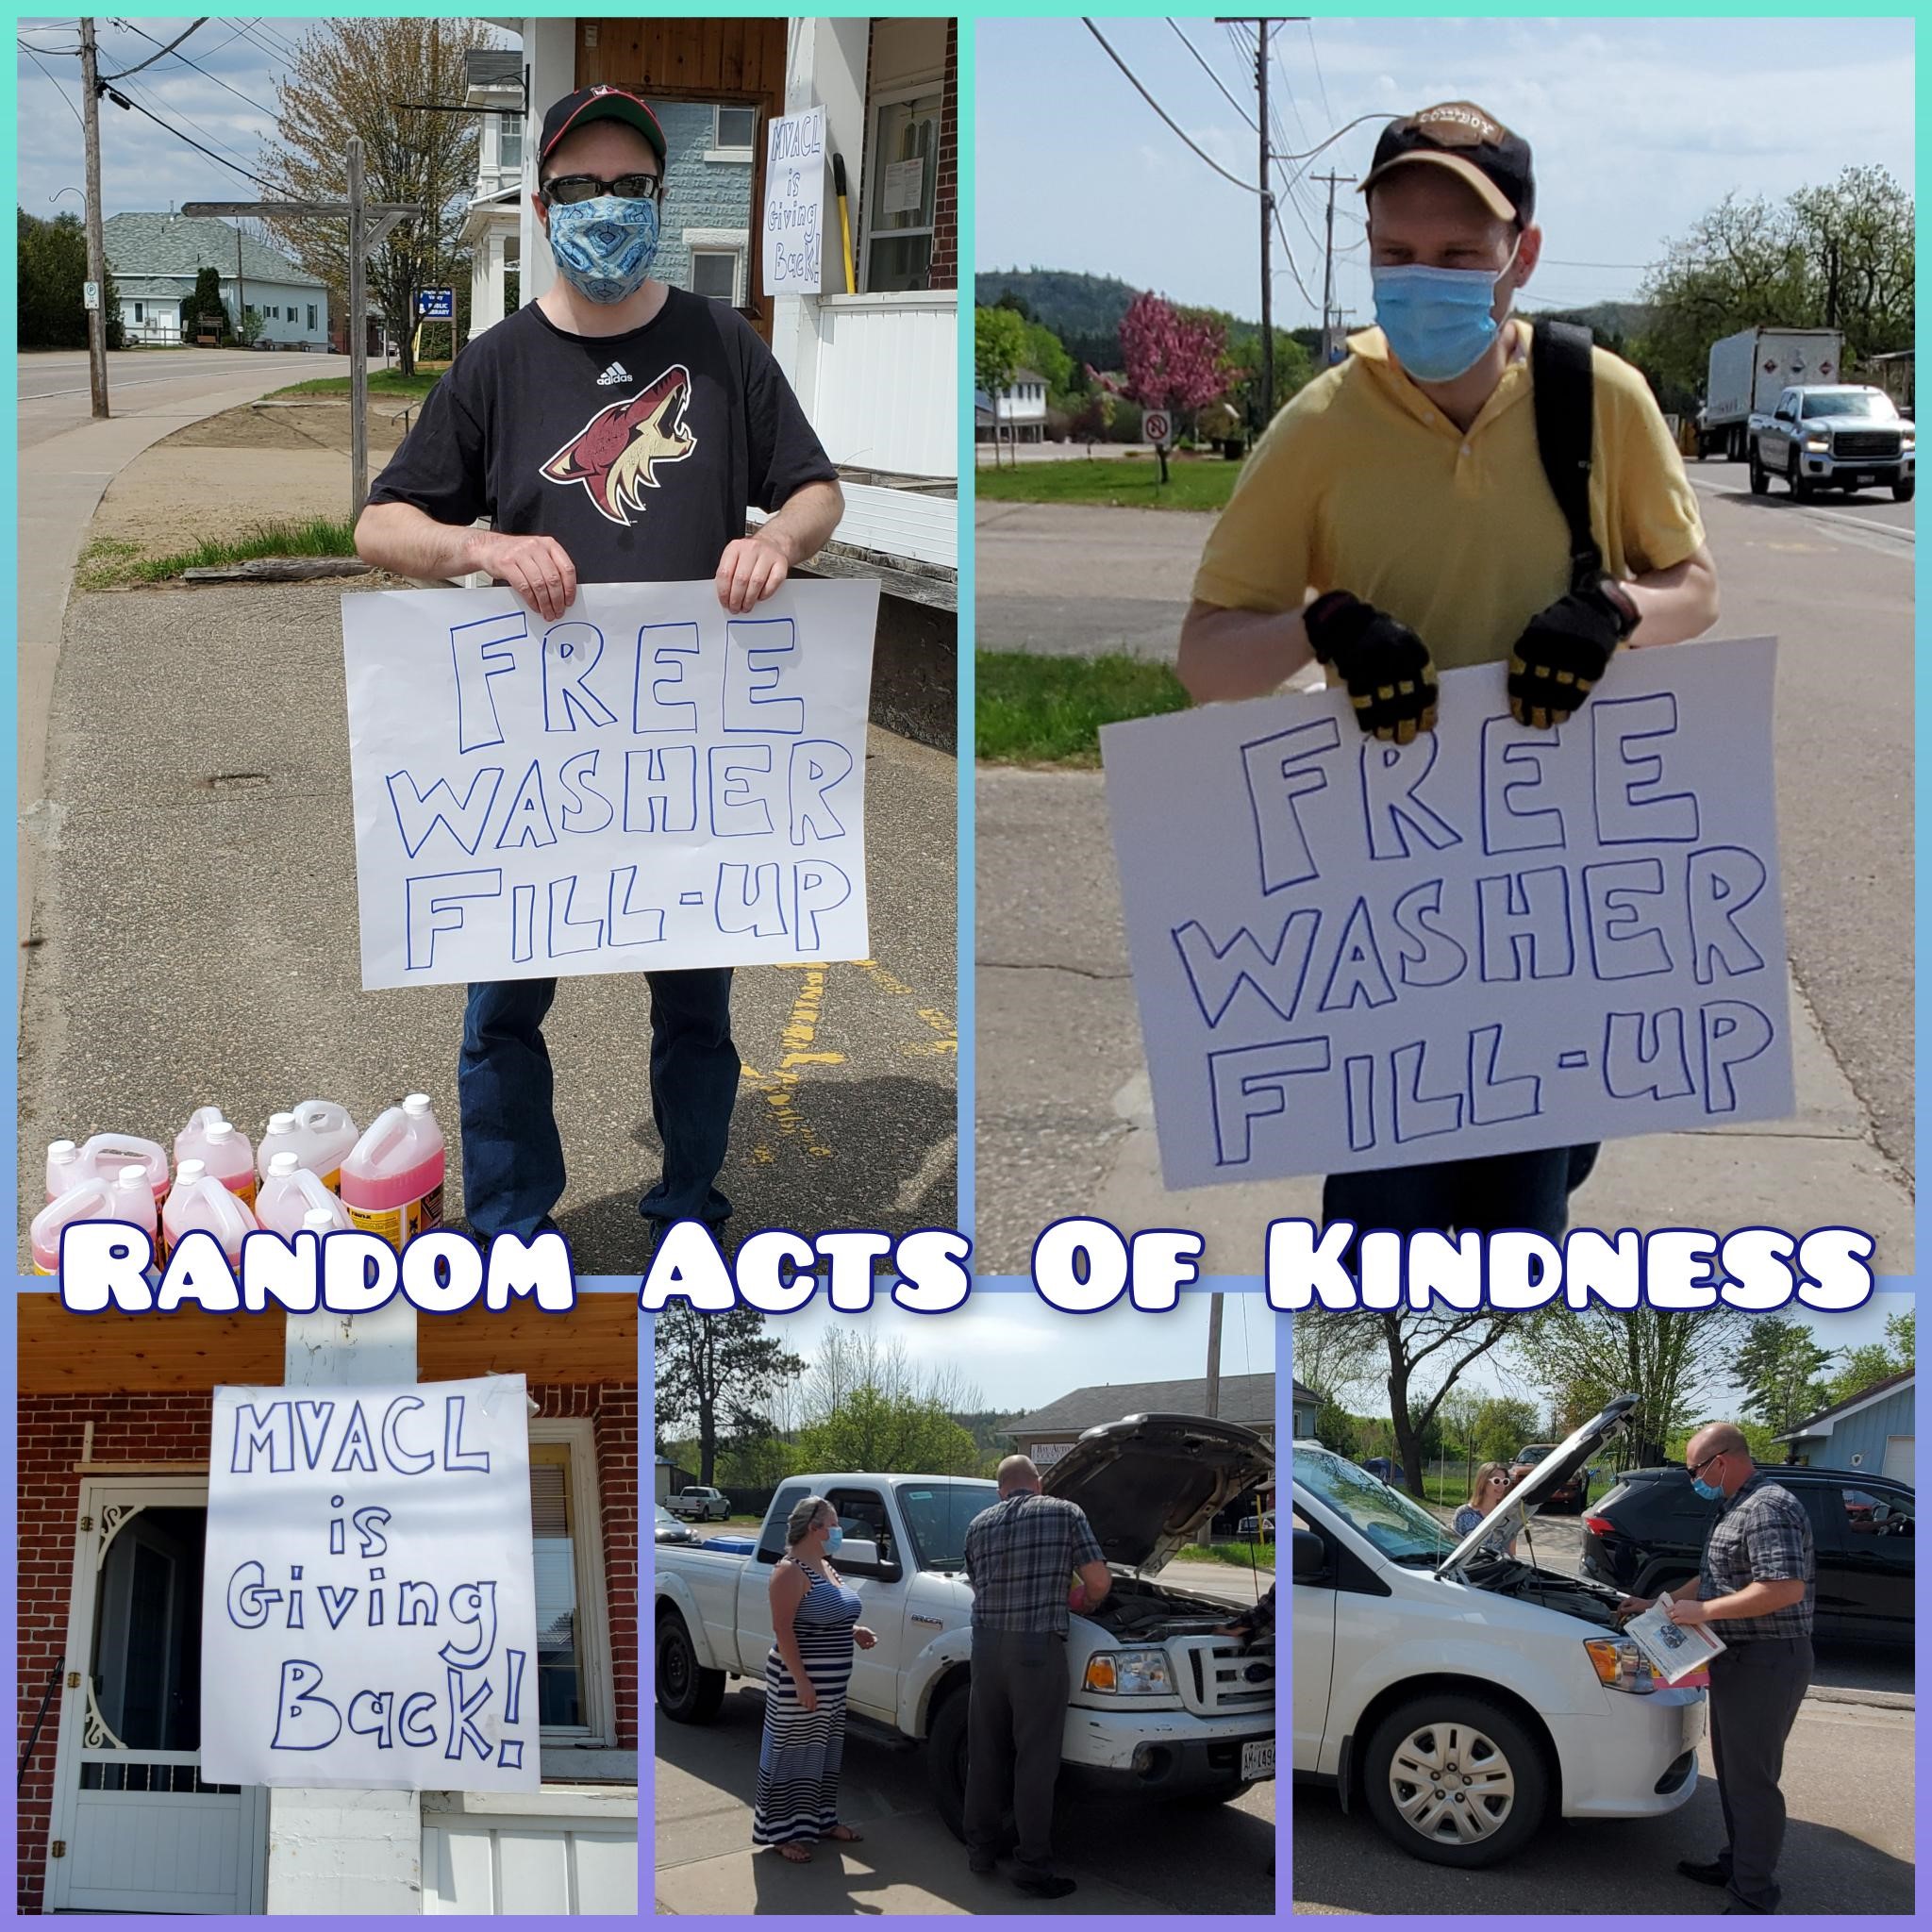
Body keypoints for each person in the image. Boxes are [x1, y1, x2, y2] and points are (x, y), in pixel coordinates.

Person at [1176, 99, 1720, 1244]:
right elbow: (1207, 656)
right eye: (1396, 255)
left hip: (1554, 896)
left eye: (1459, 256)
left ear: (1519, 253)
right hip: (1380, 917)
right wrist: (1318, 625)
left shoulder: (1600, 399)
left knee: (1525, 1221)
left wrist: (1615, 610)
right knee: (1381, 1232)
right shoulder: (1319, 426)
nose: (1423, 280)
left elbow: (1695, 590)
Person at [356, 84, 845, 1255]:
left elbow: (817, 489)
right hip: (532, 763)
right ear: (541, 206)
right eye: (582, 189)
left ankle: (688, 1207)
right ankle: (515, 1224)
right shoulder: (497, 366)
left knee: (694, 1013)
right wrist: (478, 544)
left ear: (660, 202)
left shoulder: (724, 348)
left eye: (632, 187)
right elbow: (379, 526)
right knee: (502, 1016)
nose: (607, 209)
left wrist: (777, 538)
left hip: (689, 748)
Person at [1614, 1424, 1815, 1915]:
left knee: (1753, 1781)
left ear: (1721, 1461)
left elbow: (1784, 1587)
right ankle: (1737, 1864)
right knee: (1735, 1775)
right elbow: (1715, 1577)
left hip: (1767, 1661)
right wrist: (1656, 1603)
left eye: (1695, 1470)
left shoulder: (1768, 1507)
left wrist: (1702, 1614)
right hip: (1739, 1659)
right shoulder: (1736, 1506)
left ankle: (1753, 1895)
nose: (1694, 1480)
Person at [961, 1455, 1114, 1898]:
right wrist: (1079, 1599)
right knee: (1035, 1761)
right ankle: (1031, 1864)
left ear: (1000, 1489)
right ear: (1039, 1483)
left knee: (985, 1753)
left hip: (986, 1648)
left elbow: (979, 1582)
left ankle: (980, 1851)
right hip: (1035, 1651)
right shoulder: (1065, 1512)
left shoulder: (978, 1524)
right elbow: (1099, 1582)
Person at [752, 1494, 877, 1862]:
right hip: (799, 1683)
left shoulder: (826, 1566)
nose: (838, 1530)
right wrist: (803, 1682)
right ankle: (780, 1833)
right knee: (789, 1755)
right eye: (834, 1524)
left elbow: (824, 1615)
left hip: (832, 1685)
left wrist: (854, 1630)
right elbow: (783, 1630)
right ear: (814, 1528)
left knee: (822, 1754)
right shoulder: (789, 1571)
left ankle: (822, 1820)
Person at [1452, 1462, 1518, 1556]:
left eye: (1505, 1482)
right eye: (1497, 1481)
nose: (1501, 1486)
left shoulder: (1508, 1516)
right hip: (1469, 1569)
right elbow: (1453, 1547)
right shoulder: (1463, 1513)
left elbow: (1512, 1554)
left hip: (1498, 1569)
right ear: (1483, 1482)